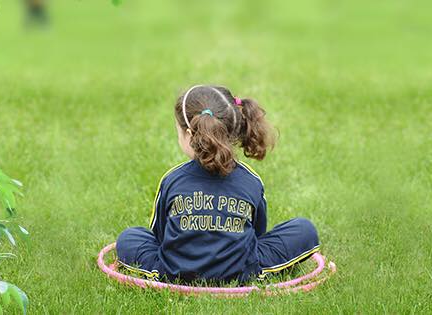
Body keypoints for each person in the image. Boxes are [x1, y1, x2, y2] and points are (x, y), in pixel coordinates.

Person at [115, 85, 320, 283]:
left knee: (129, 238)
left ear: (189, 135)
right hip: (242, 271)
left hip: (175, 271)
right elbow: (258, 233)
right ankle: (248, 272)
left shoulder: (172, 179)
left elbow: (160, 235)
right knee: (304, 230)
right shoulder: (251, 180)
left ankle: (165, 271)